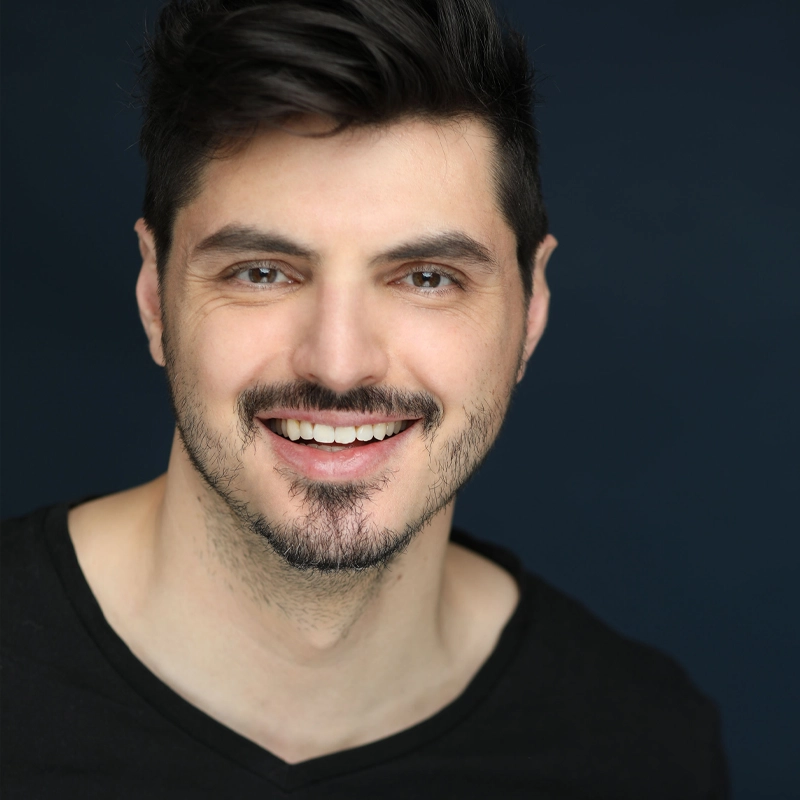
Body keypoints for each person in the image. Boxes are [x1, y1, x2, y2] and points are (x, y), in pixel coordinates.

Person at [1, 0, 728, 796]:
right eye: (262, 272)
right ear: (153, 295)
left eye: (426, 278)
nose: (339, 365)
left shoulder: (645, 751)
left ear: (532, 308)